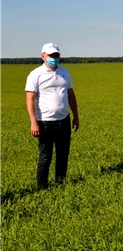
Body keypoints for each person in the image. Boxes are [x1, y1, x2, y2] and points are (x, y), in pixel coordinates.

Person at [25, 43, 80, 189]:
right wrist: (33, 122)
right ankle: (42, 187)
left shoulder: (65, 72)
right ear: (43, 56)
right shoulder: (35, 74)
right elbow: (30, 99)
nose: (54, 58)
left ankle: (60, 183)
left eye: (56, 55)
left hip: (64, 120)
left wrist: (76, 116)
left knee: (63, 155)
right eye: (50, 55)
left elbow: (71, 95)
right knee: (45, 156)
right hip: (45, 122)